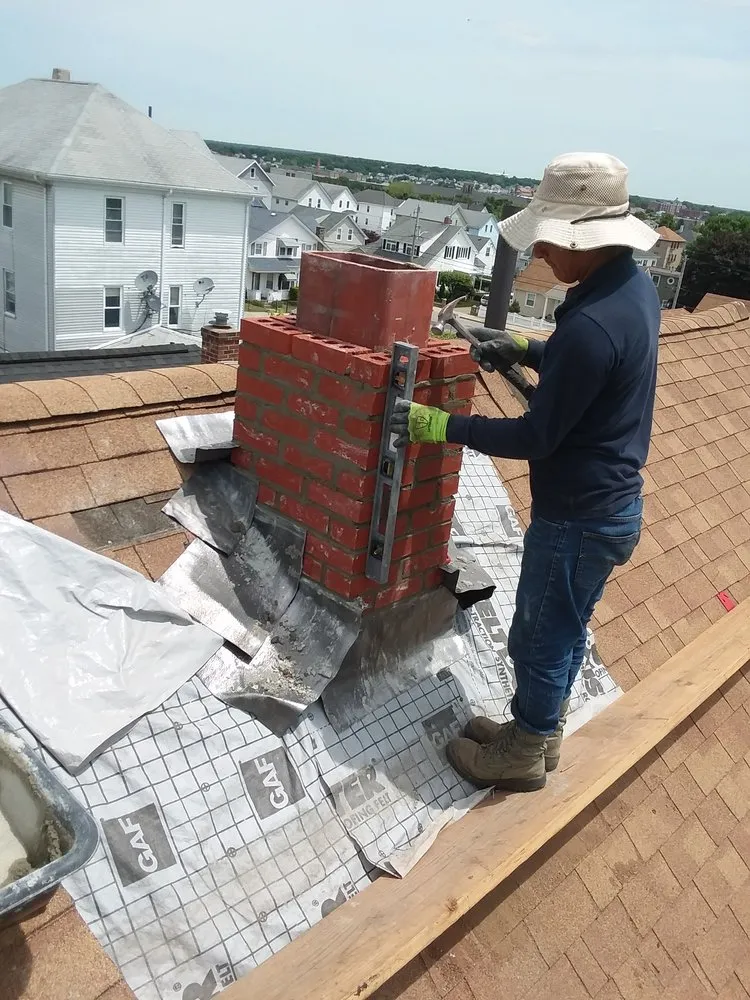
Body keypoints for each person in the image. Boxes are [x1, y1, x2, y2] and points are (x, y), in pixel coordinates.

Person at [391, 152, 661, 792]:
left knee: (538, 639)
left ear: (579, 238)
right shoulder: (628, 291)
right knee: (564, 632)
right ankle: (540, 734)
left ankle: (520, 755)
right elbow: (584, 367)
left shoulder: (593, 323)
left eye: (547, 237)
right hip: (608, 511)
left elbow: (537, 436)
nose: (539, 248)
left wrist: (443, 426)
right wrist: (526, 346)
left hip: (577, 519)